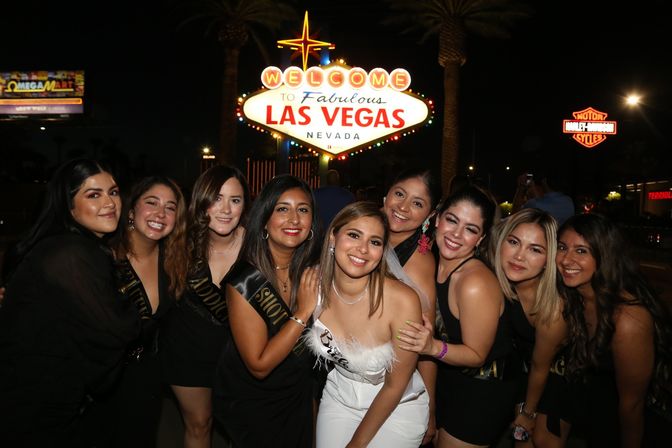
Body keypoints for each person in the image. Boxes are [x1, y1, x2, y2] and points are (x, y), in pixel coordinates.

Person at [0, 158, 140, 446]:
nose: (110, 202)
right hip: (32, 401)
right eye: (93, 194)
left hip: (46, 394)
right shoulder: (70, 253)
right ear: (69, 206)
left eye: (113, 192)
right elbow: (115, 328)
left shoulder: (77, 247)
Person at [397, 185, 517, 447]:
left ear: (481, 239)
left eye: (471, 229)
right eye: (452, 220)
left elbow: (476, 355)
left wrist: (431, 346)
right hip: (449, 382)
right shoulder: (429, 262)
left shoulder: (474, 282)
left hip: (483, 392)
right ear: (437, 219)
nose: (456, 234)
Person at [306, 201, 429, 447]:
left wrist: (356, 443)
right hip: (339, 397)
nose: (363, 249)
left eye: (374, 242)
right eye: (353, 235)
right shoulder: (311, 283)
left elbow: (396, 386)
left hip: (396, 406)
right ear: (333, 237)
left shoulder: (402, 301)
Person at [213, 174, 322, 448]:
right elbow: (259, 365)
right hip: (254, 401)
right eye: (282, 209)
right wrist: (303, 311)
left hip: (298, 392)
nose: (294, 219)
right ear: (264, 220)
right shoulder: (244, 280)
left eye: (303, 210)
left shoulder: (312, 271)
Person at [86, 176, 188, 447]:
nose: (160, 213)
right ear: (131, 210)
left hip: (147, 379)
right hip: (99, 381)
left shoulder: (173, 261)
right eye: (151, 203)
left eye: (170, 207)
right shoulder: (102, 257)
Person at [555, 213, 672, 447]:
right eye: (562, 247)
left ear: (604, 256)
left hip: (635, 422)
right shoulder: (573, 296)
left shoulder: (628, 319)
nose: (566, 259)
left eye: (581, 250)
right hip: (597, 408)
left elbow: (633, 405)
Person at [160, 165, 250, 448]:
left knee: (244, 429)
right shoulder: (178, 243)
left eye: (235, 200)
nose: (225, 209)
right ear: (201, 202)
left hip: (242, 357)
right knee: (199, 425)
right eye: (216, 199)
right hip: (188, 352)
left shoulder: (259, 246)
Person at [488, 208, 568, 446]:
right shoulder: (497, 284)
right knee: (521, 442)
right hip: (524, 372)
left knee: (543, 440)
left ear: (548, 260)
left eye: (535, 249)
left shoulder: (553, 308)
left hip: (559, 376)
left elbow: (541, 367)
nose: (519, 256)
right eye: (514, 242)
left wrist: (529, 413)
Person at [381, 167, 441, 444]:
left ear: (429, 215)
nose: (403, 207)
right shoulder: (364, 234)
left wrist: (429, 408)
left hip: (394, 382)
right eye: (399, 194)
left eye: (417, 203)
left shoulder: (418, 263)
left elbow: (425, 342)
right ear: (387, 194)